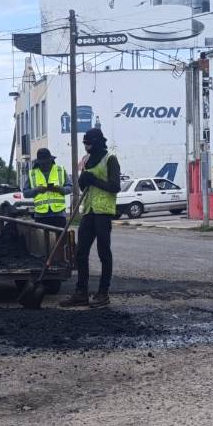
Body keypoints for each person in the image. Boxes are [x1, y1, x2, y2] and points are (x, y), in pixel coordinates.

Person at [60, 128, 121, 308]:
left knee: (103, 252)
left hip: (103, 211)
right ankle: (81, 293)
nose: (86, 146)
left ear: (98, 142)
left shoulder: (110, 159)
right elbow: (81, 186)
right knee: (81, 252)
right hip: (88, 210)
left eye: (89, 143)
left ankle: (103, 294)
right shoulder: (86, 160)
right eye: (84, 143)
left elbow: (115, 186)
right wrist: (83, 179)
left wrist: (93, 179)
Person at [23, 148, 72, 228]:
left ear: (51, 160)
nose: (45, 165)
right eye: (42, 164)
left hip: (58, 215)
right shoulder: (33, 174)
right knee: (42, 240)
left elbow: (69, 188)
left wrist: (59, 189)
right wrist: (37, 190)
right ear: (38, 162)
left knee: (60, 239)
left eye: (46, 163)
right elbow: (25, 193)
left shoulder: (60, 170)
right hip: (41, 216)